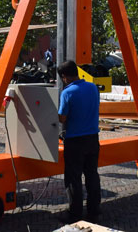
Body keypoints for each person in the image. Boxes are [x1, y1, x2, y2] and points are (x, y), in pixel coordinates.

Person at [57, 60, 101, 223]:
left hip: (75, 141)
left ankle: (74, 214)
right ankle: (94, 211)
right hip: (93, 139)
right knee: (92, 175)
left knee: (73, 178)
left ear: (64, 77)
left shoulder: (68, 93)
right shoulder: (92, 87)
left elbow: (62, 117)